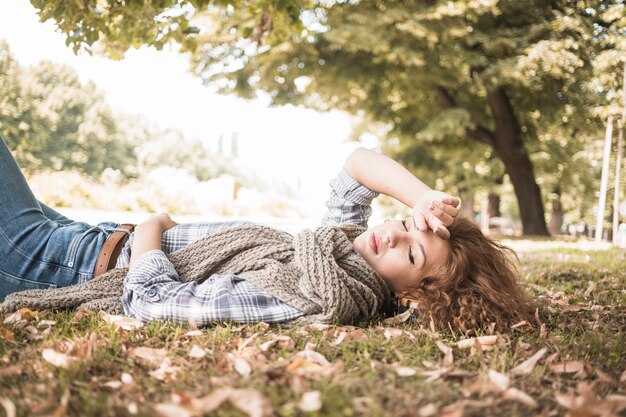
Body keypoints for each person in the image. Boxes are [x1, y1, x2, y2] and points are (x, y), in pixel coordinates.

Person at [0, 136, 533, 332]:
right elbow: (356, 166)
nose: (391, 234)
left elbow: (157, 304)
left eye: (413, 253)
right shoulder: (337, 251)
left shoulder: (314, 296)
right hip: (87, 236)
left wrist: (150, 229)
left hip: (64, 263)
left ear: (415, 294)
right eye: (405, 226)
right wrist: (418, 197)